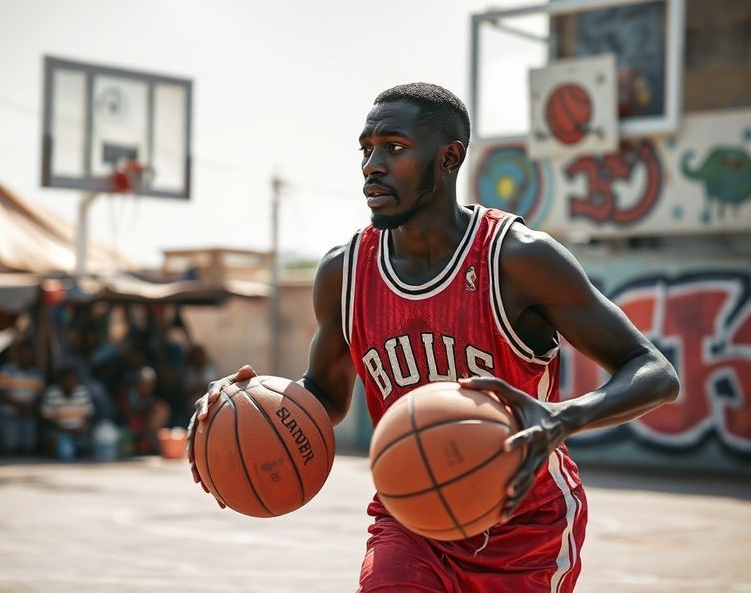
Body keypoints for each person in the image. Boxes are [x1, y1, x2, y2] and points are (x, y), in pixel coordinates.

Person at [188, 83, 680, 592]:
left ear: (449, 159)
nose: (372, 165)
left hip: (523, 524)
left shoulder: (517, 260)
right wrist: (243, 411)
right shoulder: (344, 273)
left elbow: (654, 372)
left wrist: (562, 416)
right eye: (367, 148)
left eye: (394, 147)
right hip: (409, 511)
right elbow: (327, 397)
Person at [0, 340, 44, 456]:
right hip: (9, 415)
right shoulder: (5, 371)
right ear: (17, 354)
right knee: (10, 447)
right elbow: (0, 394)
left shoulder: (36, 374)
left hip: (28, 415)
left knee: (28, 447)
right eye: (23, 352)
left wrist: (30, 406)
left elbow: (40, 395)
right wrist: (19, 405)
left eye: (29, 353)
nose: (26, 356)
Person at [40, 365, 95, 461]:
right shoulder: (52, 392)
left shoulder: (82, 391)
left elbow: (89, 414)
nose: (71, 383)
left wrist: (84, 427)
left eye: (74, 380)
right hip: (60, 432)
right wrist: (65, 430)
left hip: (79, 432)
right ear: (61, 381)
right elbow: (46, 419)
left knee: (87, 449)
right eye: (68, 380)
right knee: (66, 454)